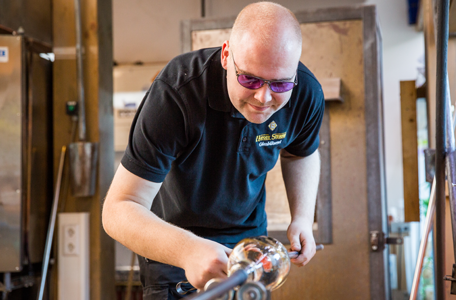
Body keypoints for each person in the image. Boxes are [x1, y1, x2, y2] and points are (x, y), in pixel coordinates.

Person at [102, 2, 325, 299]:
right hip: (174, 246)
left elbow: (301, 152)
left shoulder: (305, 93)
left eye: (280, 84)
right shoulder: (177, 93)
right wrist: (188, 251)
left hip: (248, 247)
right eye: (250, 79)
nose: (264, 97)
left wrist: (302, 217)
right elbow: (118, 209)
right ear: (226, 55)